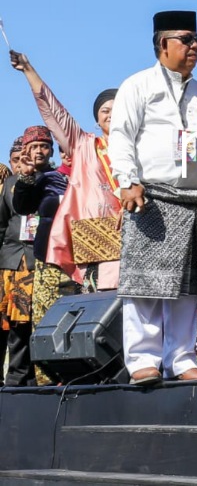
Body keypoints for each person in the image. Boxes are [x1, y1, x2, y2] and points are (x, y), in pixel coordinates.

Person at [108, 10, 197, 385]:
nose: (194, 46)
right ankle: (143, 360)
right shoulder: (138, 85)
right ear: (162, 45)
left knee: (188, 288)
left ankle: (182, 360)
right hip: (152, 196)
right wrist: (127, 180)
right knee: (145, 284)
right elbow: (121, 135)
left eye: (196, 39)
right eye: (186, 39)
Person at [10, 51, 122, 292]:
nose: (111, 114)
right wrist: (29, 71)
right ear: (97, 120)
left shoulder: (143, 147)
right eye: (105, 110)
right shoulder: (84, 145)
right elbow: (54, 113)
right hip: (95, 235)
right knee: (100, 301)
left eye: (118, 108)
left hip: (135, 231)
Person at [12, 125, 75, 385]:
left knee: (77, 318)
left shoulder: (70, 176)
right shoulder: (38, 179)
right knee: (47, 318)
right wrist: (26, 178)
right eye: (34, 146)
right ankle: (48, 378)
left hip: (80, 258)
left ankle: (78, 374)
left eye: (45, 146)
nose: (40, 151)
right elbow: (22, 206)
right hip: (48, 257)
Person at [0, 138, 36, 385]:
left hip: (38, 260)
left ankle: (30, 379)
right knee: (13, 324)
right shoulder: (8, 186)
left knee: (32, 323)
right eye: (14, 161)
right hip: (11, 262)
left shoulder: (50, 180)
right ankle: (15, 378)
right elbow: (2, 225)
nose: (19, 165)